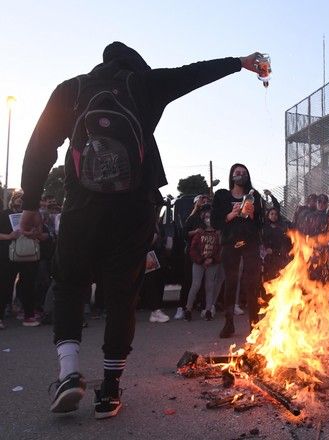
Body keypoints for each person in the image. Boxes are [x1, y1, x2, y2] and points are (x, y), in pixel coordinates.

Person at [19, 42, 264, 418]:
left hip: (82, 206)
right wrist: (239, 64)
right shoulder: (144, 85)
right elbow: (193, 73)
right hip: (134, 209)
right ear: (135, 65)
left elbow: (39, 147)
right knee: (122, 295)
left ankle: (68, 373)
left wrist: (32, 204)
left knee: (69, 284)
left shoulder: (72, 89)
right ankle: (111, 391)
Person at [212, 163, 265, 337]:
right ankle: (228, 323)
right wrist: (231, 215)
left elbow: (261, 223)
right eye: (237, 172)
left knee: (252, 283)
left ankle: (254, 324)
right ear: (231, 175)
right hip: (230, 243)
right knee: (230, 283)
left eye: (243, 172)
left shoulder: (253, 195)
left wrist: (252, 215)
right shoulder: (222, 195)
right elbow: (214, 221)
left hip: (250, 243)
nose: (240, 175)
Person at [0, 190, 40, 327]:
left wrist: (33, 233)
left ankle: (28, 315)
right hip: (7, 256)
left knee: (28, 285)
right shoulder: (4, 214)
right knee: (5, 285)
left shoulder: (32, 215)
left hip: (27, 255)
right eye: (17, 198)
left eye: (23, 199)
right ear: (12, 200)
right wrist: (9, 236)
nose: (20, 201)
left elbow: (40, 232)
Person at [184, 207, 221, 321]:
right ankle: (188, 309)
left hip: (212, 263)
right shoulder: (199, 232)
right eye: (206, 217)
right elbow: (193, 249)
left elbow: (220, 249)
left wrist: (213, 259)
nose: (208, 219)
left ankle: (208, 310)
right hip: (199, 263)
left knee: (210, 286)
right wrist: (201, 260)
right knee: (195, 285)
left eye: (210, 217)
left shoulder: (217, 233)